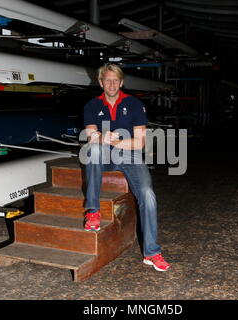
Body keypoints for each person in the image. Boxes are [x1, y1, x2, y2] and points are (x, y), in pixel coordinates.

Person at [81, 63, 171, 272]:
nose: (111, 84)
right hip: (103, 154)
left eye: (115, 80)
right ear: (101, 82)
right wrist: (103, 138)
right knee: (93, 150)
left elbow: (139, 143)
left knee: (148, 195)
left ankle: (152, 252)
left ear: (121, 82)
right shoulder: (92, 105)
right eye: (107, 80)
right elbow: (90, 136)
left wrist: (114, 142)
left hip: (130, 156)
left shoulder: (134, 104)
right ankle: (93, 211)